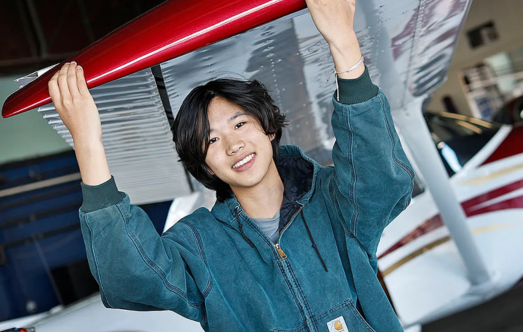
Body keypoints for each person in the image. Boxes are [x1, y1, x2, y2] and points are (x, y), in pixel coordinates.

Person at [47, 0, 414, 331]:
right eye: (211, 140)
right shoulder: (199, 245)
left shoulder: (336, 202)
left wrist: (344, 44)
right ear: (203, 165)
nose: (233, 145)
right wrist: (87, 141)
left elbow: (382, 179)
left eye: (240, 124)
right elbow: (129, 278)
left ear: (268, 128)